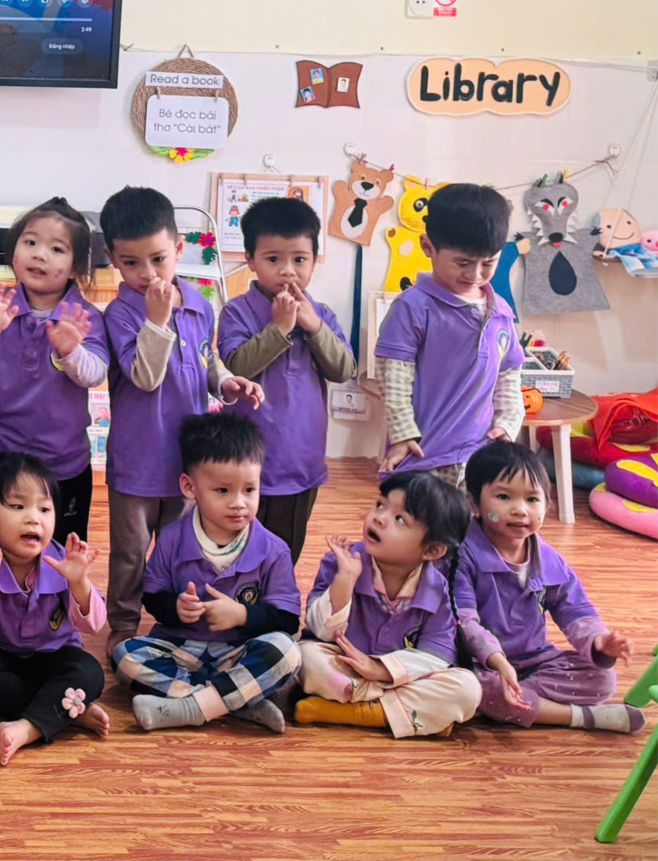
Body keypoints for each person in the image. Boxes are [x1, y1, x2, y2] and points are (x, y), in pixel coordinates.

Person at [98, 186, 264, 651]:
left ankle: (175, 620)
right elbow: (145, 376)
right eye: (131, 263)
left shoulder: (199, 304)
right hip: (136, 463)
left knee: (185, 548)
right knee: (131, 554)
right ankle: (123, 625)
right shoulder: (120, 314)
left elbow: (206, 361)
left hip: (190, 463)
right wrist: (156, 320)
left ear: (179, 248)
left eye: (158, 259)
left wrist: (226, 382)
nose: (147, 273)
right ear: (112, 259)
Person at [113, 412, 301, 733]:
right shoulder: (172, 538)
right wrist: (176, 609)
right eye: (223, 490)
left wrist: (242, 615)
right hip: (181, 650)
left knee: (288, 653)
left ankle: (192, 706)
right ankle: (236, 702)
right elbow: (153, 597)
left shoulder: (274, 549)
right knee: (125, 656)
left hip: (239, 652)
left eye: (250, 490)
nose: (239, 503)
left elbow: (287, 621)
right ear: (190, 487)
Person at [452, 441, 644, 733]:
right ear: (474, 504)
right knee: (478, 686)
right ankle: (580, 717)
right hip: (482, 663)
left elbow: (575, 609)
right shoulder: (463, 555)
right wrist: (499, 664)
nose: (520, 510)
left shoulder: (549, 560)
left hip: (535, 660)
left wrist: (600, 642)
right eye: (504, 497)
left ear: (547, 506)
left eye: (532, 499)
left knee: (603, 678)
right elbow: (465, 622)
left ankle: (508, 703)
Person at [216, 196, 356, 563]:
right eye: (273, 259)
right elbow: (238, 365)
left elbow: (344, 369)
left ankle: (276, 598)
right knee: (234, 552)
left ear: (315, 259)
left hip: (301, 460)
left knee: (284, 554)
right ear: (250, 259)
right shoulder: (237, 312)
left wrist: (314, 327)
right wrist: (279, 328)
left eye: (300, 259)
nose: (288, 271)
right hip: (243, 462)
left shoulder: (322, 314)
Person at [0, 451, 109, 764]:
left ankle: (28, 727)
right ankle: (67, 711)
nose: (33, 518)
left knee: (89, 672)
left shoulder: (62, 561)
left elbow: (93, 626)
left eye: (44, 509)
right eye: (17, 506)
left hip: (53, 656)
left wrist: (79, 583)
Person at [0, 198, 106, 545]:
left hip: (60, 462)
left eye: (57, 249)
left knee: (59, 550)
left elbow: (95, 374)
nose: (40, 255)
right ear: (13, 253)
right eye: (30, 242)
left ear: (75, 267)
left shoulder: (84, 317)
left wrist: (70, 351)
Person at [293, 472, 479, 737]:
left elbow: (437, 655)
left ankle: (354, 711)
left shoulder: (437, 589)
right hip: (344, 665)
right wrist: (345, 580)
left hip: (396, 677)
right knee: (304, 657)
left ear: (432, 550)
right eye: (380, 505)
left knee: (467, 689)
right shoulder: (341, 562)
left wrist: (380, 670)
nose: (379, 517)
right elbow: (320, 631)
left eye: (399, 519)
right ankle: (403, 712)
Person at [374, 184, 525, 487]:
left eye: (488, 263)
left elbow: (509, 375)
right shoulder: (412, 307)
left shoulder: (501, 312)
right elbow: (392, 379)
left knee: (472, 521)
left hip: (479, 457)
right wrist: (402, 435)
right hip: (422, 456)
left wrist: (508, 424)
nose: (476, 274)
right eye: (463, 263)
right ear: (428, 247)